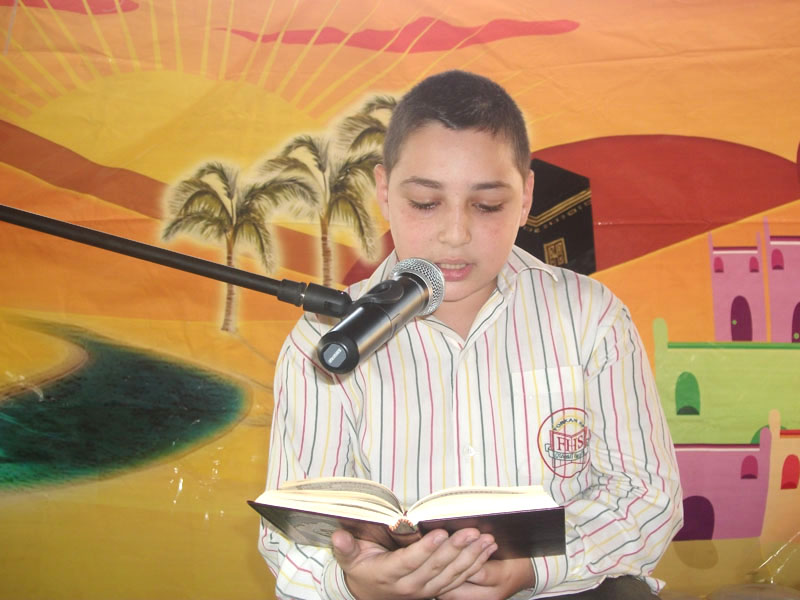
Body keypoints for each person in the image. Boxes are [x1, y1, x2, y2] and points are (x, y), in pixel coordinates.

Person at [258, 70, 683, 600]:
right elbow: (290, 535)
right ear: (384, 191)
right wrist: (354, 580)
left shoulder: (590, 318)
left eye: (486, 206)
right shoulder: (324, 339)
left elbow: (648, 496)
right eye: (425, 203)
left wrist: (535, 568)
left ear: (525, 196)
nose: (455, 234)